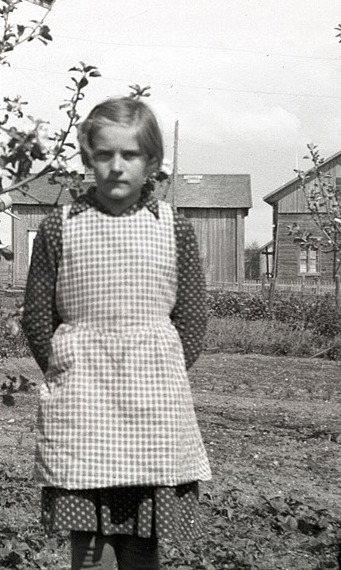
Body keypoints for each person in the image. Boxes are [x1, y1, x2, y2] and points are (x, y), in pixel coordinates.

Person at [21, 96, 211, 570]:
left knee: (142, 543)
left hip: (153, 405)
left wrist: (156, 365)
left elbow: (191, 320)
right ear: (88, 159)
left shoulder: (173, 228)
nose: (116, 167)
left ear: (151, 162)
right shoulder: (59, 228)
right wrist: (68, 368)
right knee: (89, 544)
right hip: (82, 402)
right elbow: (37, 316)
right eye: (104, 155)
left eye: (130, 155)